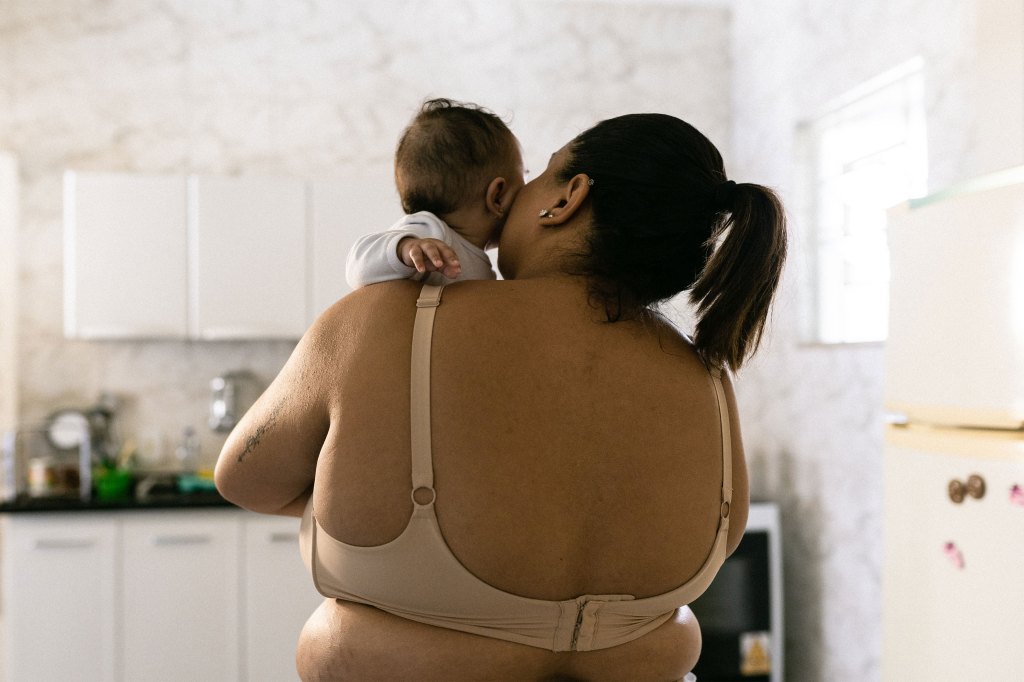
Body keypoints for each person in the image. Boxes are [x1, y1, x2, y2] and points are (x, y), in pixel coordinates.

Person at [214, 112, 786, 681]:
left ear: (566, 199)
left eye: (538, 176)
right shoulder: (705, 374)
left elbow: (245, 478)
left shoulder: (382, 319)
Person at [345, 98, 524, 287]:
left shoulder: (477, 259)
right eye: (524, 177)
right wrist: (404, 248)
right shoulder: (431, 231)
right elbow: (358, 265)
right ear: (497, 196)